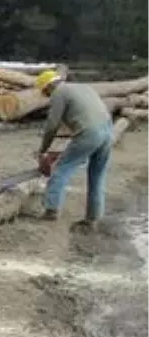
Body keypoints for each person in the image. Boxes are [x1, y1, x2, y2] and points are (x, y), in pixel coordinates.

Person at [35, 69, 114, 229]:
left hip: (90, 132)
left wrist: (43, 150)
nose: (47, 96)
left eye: (45, 93)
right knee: (97, 176)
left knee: (61, 169)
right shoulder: (83, 87)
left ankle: (51, 210)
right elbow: (85, 116)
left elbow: (52, 125)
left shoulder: (59, 92)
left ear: (48, 87)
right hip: (108, 130)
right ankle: (92, 219)